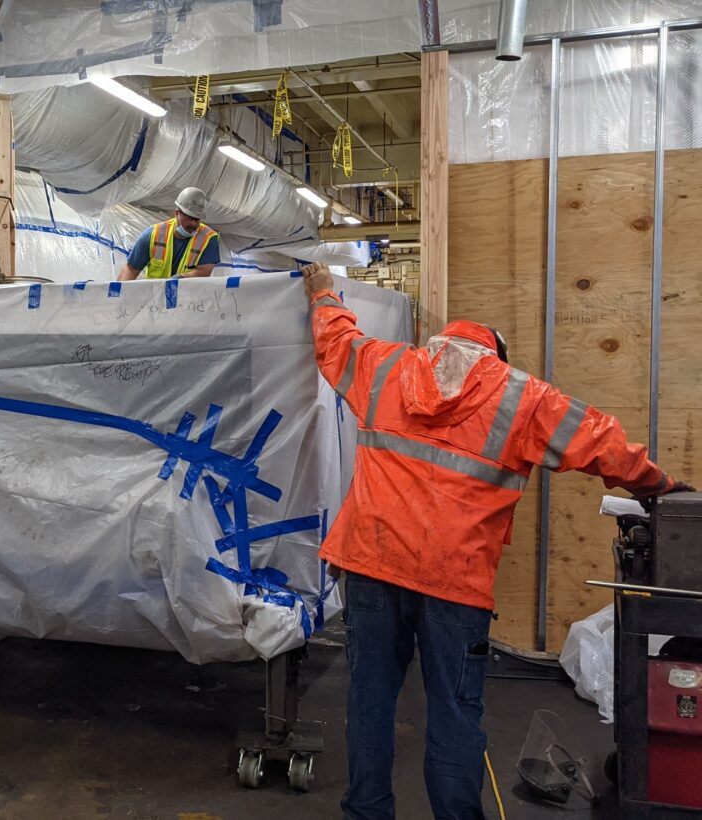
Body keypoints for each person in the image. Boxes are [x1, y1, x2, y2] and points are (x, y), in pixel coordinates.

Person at [300, 262, 692, 820]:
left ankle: (366, 812)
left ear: (439, 345)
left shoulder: (384, 368)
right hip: (453, 585)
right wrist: (658, 485)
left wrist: (321, 292)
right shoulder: (522, 397)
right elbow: (599, 440)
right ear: (494, 357)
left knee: (369, 703)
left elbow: (336, 339)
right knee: (455, 717)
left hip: (371, 565)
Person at [117, 187, 220, 280]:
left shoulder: (208, 238)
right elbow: (131, 269)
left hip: (187, 299)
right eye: (189, 217)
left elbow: (204, 271)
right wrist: (117, 294)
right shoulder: (153, 234)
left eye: (197, 219)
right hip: (155, 297)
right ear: (176, 213)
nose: (193, 223)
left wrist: (180, 278)